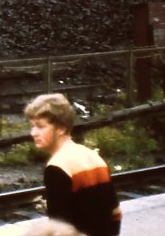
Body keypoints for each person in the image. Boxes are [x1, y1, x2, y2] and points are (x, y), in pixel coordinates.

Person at [24, 93, 122, 236]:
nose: (33, 133)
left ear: (61, 129)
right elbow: (115, 212)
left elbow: (61, 230)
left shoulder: (57, 167)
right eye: (32, 126)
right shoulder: (93, 157)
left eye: (40, 127)